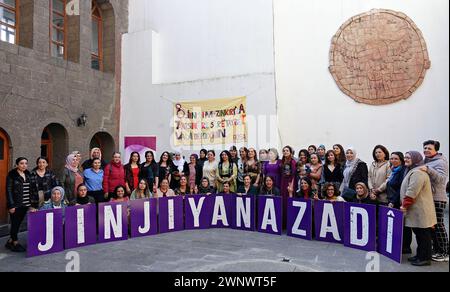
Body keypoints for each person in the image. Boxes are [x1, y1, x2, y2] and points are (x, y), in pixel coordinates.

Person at [401, 151, 437, 267]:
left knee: (423, 235)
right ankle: (420, 255)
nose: (405, 159)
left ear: (416, 158)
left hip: (421, 210)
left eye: (408, 157)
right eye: (405, 157)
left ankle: (425, 258)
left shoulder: (418, 173)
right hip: (416, 210)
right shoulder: (413, 170)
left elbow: (412, 191)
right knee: (419, 234)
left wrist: (404, 205)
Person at [421, 140, 449, 262]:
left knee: (438, 225)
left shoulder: (440, 162)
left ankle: (445, 252)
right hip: (429, 198)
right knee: (431, 225)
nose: (426, 150)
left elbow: (441, 179)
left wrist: (428, 170)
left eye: (429, 148)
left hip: (438, 198)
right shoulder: (426, 160)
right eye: (425, 148)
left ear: (436, 150)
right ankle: (437, 249)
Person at [5, 157, 38, 253]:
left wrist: (33, 204)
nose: (24, 165)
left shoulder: (28, 174)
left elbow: (33, 190)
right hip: (16, 204)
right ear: (17, 165)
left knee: (19, 224)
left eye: (25, 163)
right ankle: (15, 242)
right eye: (21, 163)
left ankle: (10, 241)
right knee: (15, 224)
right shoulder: (12, 175)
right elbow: (8, 190)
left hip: (26, 204)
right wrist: (11, 205)